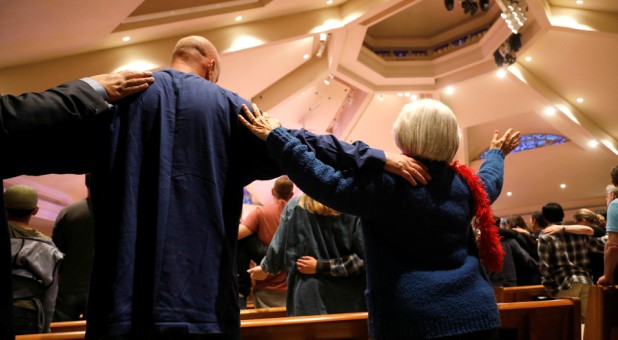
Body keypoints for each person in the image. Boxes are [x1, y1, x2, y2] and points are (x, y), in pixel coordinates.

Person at [83, 35, 430, 339]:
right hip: (200, 306)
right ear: (211, 65)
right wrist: (373, 156)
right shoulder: (227, 107)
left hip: (119, 305)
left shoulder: (117, 98)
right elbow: (299, 142)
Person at [240, 99, 521, 339]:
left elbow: (323, 181)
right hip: (478, 314)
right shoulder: (465, 185)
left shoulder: (389, 183)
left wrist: (279, 139)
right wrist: (496, 152)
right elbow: (491, 181)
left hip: (413, 321)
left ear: (405, 134)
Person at [0, 70, 154, 339]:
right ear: (34, 210)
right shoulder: (133, 209)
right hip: (112, 290)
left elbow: (61, 250)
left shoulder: (69, 213)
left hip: (70, 290)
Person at [249, 194, 366, 316]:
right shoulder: (353, 205)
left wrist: (266, 268)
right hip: (349, 301)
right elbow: (363, 259)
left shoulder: (295, 206)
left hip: (308, 299)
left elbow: (278, 247)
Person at [5, 184, 64, 334]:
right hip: (25, 316)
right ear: (36, 210)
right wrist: (45, 329)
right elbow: (50, 295)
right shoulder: (47, 247)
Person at [537, 202, 605, 321]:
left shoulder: (545, 235)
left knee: (567, 324)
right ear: (563, 215)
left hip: (564, 282)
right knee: (586, 322)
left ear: (545, 219)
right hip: (585, 280)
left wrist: (549, 287)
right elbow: (600, 246)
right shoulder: (577, 231)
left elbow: (544, 264)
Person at [237, 176, 294, 309]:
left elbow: (237, 235)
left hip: (267, 285)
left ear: (273, 191)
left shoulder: (260, 213)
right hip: (293, 285)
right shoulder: (297, 213)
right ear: (291, 195)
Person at [51, 174, 94, 321]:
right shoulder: (120, 213)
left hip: (69, 288)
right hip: (104, 289)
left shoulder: (68, 212)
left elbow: (56, 252)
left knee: (60, 333)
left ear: (87, 183)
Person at [598, 180, 618, 286]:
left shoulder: (614, 205)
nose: (606, 199)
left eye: (606, 196)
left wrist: (607, 275)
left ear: (612, 195)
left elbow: (613, 245)